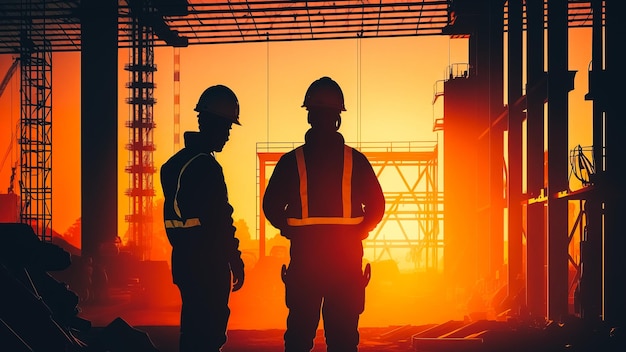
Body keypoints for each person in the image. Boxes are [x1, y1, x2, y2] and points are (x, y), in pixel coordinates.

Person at [262, 76, 385, 352]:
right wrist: (359, 230)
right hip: (345, 265)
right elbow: (377, 207)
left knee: (298, 339)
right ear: (338, 118)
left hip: (305, 264)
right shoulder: (356, 161)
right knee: (342, 341)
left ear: (309, 117)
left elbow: (270, 206)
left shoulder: (291, 162)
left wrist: (290, 229)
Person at [160, 84, 245, 352]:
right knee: (209, 337)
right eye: (227, 128)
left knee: (193, 333)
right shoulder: (207, 167)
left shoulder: (174, 165)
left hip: (185, 264)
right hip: (209, 267)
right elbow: (221, 222)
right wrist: (235, 260)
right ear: (213, 124)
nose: (228, 136)